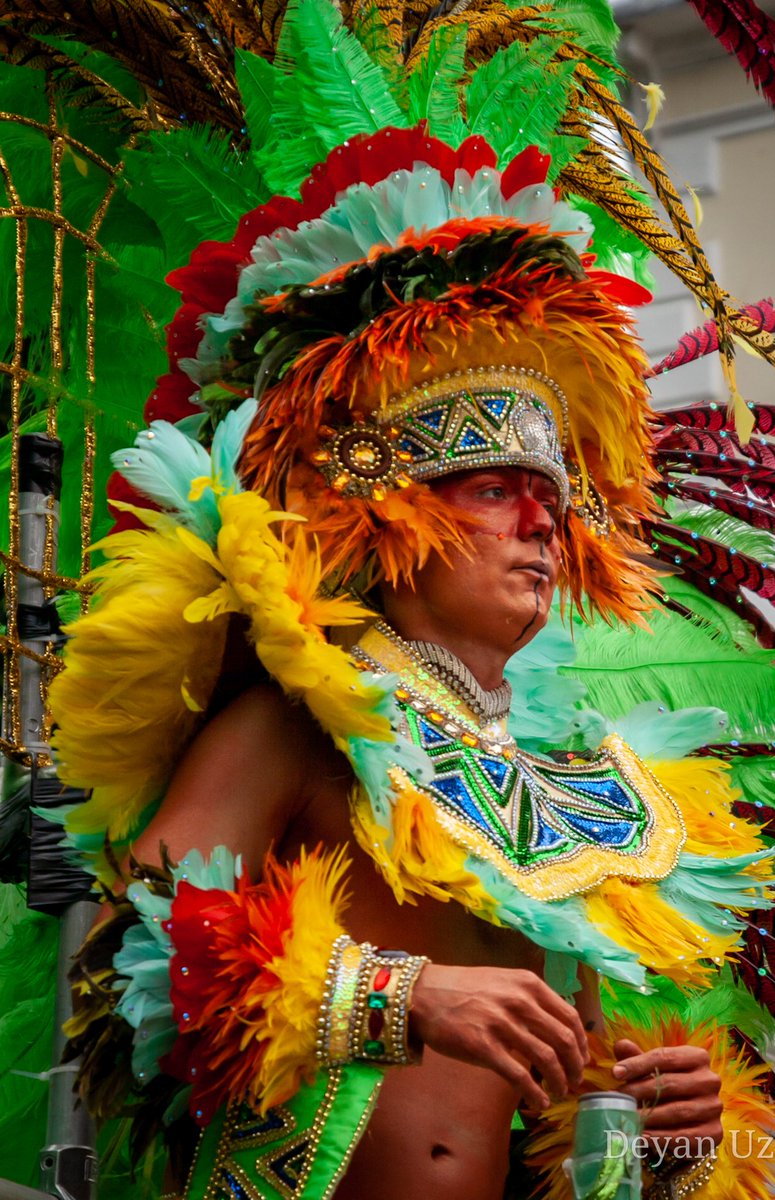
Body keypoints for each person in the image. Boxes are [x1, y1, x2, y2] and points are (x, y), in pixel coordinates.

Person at [124, 460, 726, 1200]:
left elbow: (556, 1107)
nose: (542, 526)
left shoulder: (564, 801)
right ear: (391, 520)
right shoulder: (295, 726)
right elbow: (141, 930)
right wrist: (401, 997)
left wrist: (654, 1133)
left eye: (553, 504)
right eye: (496, 493)